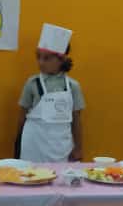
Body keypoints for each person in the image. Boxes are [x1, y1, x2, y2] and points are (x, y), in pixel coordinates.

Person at [17, 23, 85, 163]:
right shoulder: (32, 83)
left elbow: (76, 120)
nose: (41, 62)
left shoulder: (73, 86)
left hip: (61, 145)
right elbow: (22, 116)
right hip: (34, 144)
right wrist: (17, 142)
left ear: (61, 60)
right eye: (38, 57)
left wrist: (78, 148)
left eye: (47, 58)